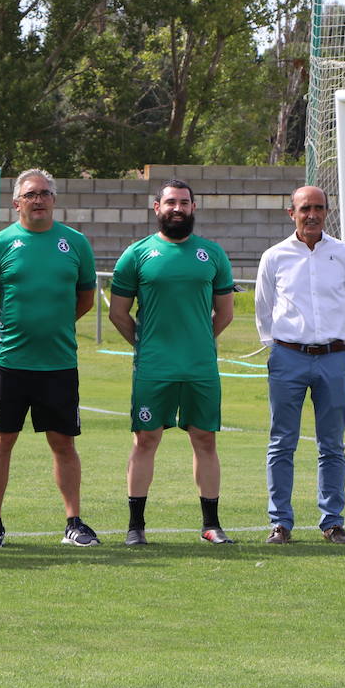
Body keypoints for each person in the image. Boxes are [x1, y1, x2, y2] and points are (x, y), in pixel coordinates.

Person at [0, 169, 98, 548]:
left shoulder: (75, 244)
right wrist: (13, 330)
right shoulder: (0, 245)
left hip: (58, 365)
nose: (39, 200)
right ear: (17, 202)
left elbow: (85, 299)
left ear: (54, 200)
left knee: (63, 444)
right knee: (1, 440)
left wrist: (53, 327)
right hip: (9, 364)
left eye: (45, 193)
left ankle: (73, 522)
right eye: (30, 194)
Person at [109, 180, 236, 545]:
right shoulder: (137, 254)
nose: (177, 208)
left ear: (193, 208)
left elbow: (224, 314)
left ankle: (211, 525)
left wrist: (198, 341)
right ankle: (136, 527)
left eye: (184, 202)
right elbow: (119, 312)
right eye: (170, 202)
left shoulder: (211, 254)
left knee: (205, 439)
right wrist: (145, 345)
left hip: (200, 367)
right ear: (156, 207)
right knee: (146, 439)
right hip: (154, 368)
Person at [255, 185, 345, 545]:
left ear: (326, 212)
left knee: (332, 445)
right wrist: (280, 347)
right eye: (305, 209)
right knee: (282, 442)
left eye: (318, 208)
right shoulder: (275, 256)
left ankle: (332, 521)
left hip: (332, 358)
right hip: (288, 357)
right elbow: (263, 308)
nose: (312, 214)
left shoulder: (344, 254)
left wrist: (335, 341)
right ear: (292, 213)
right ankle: (280, 522)